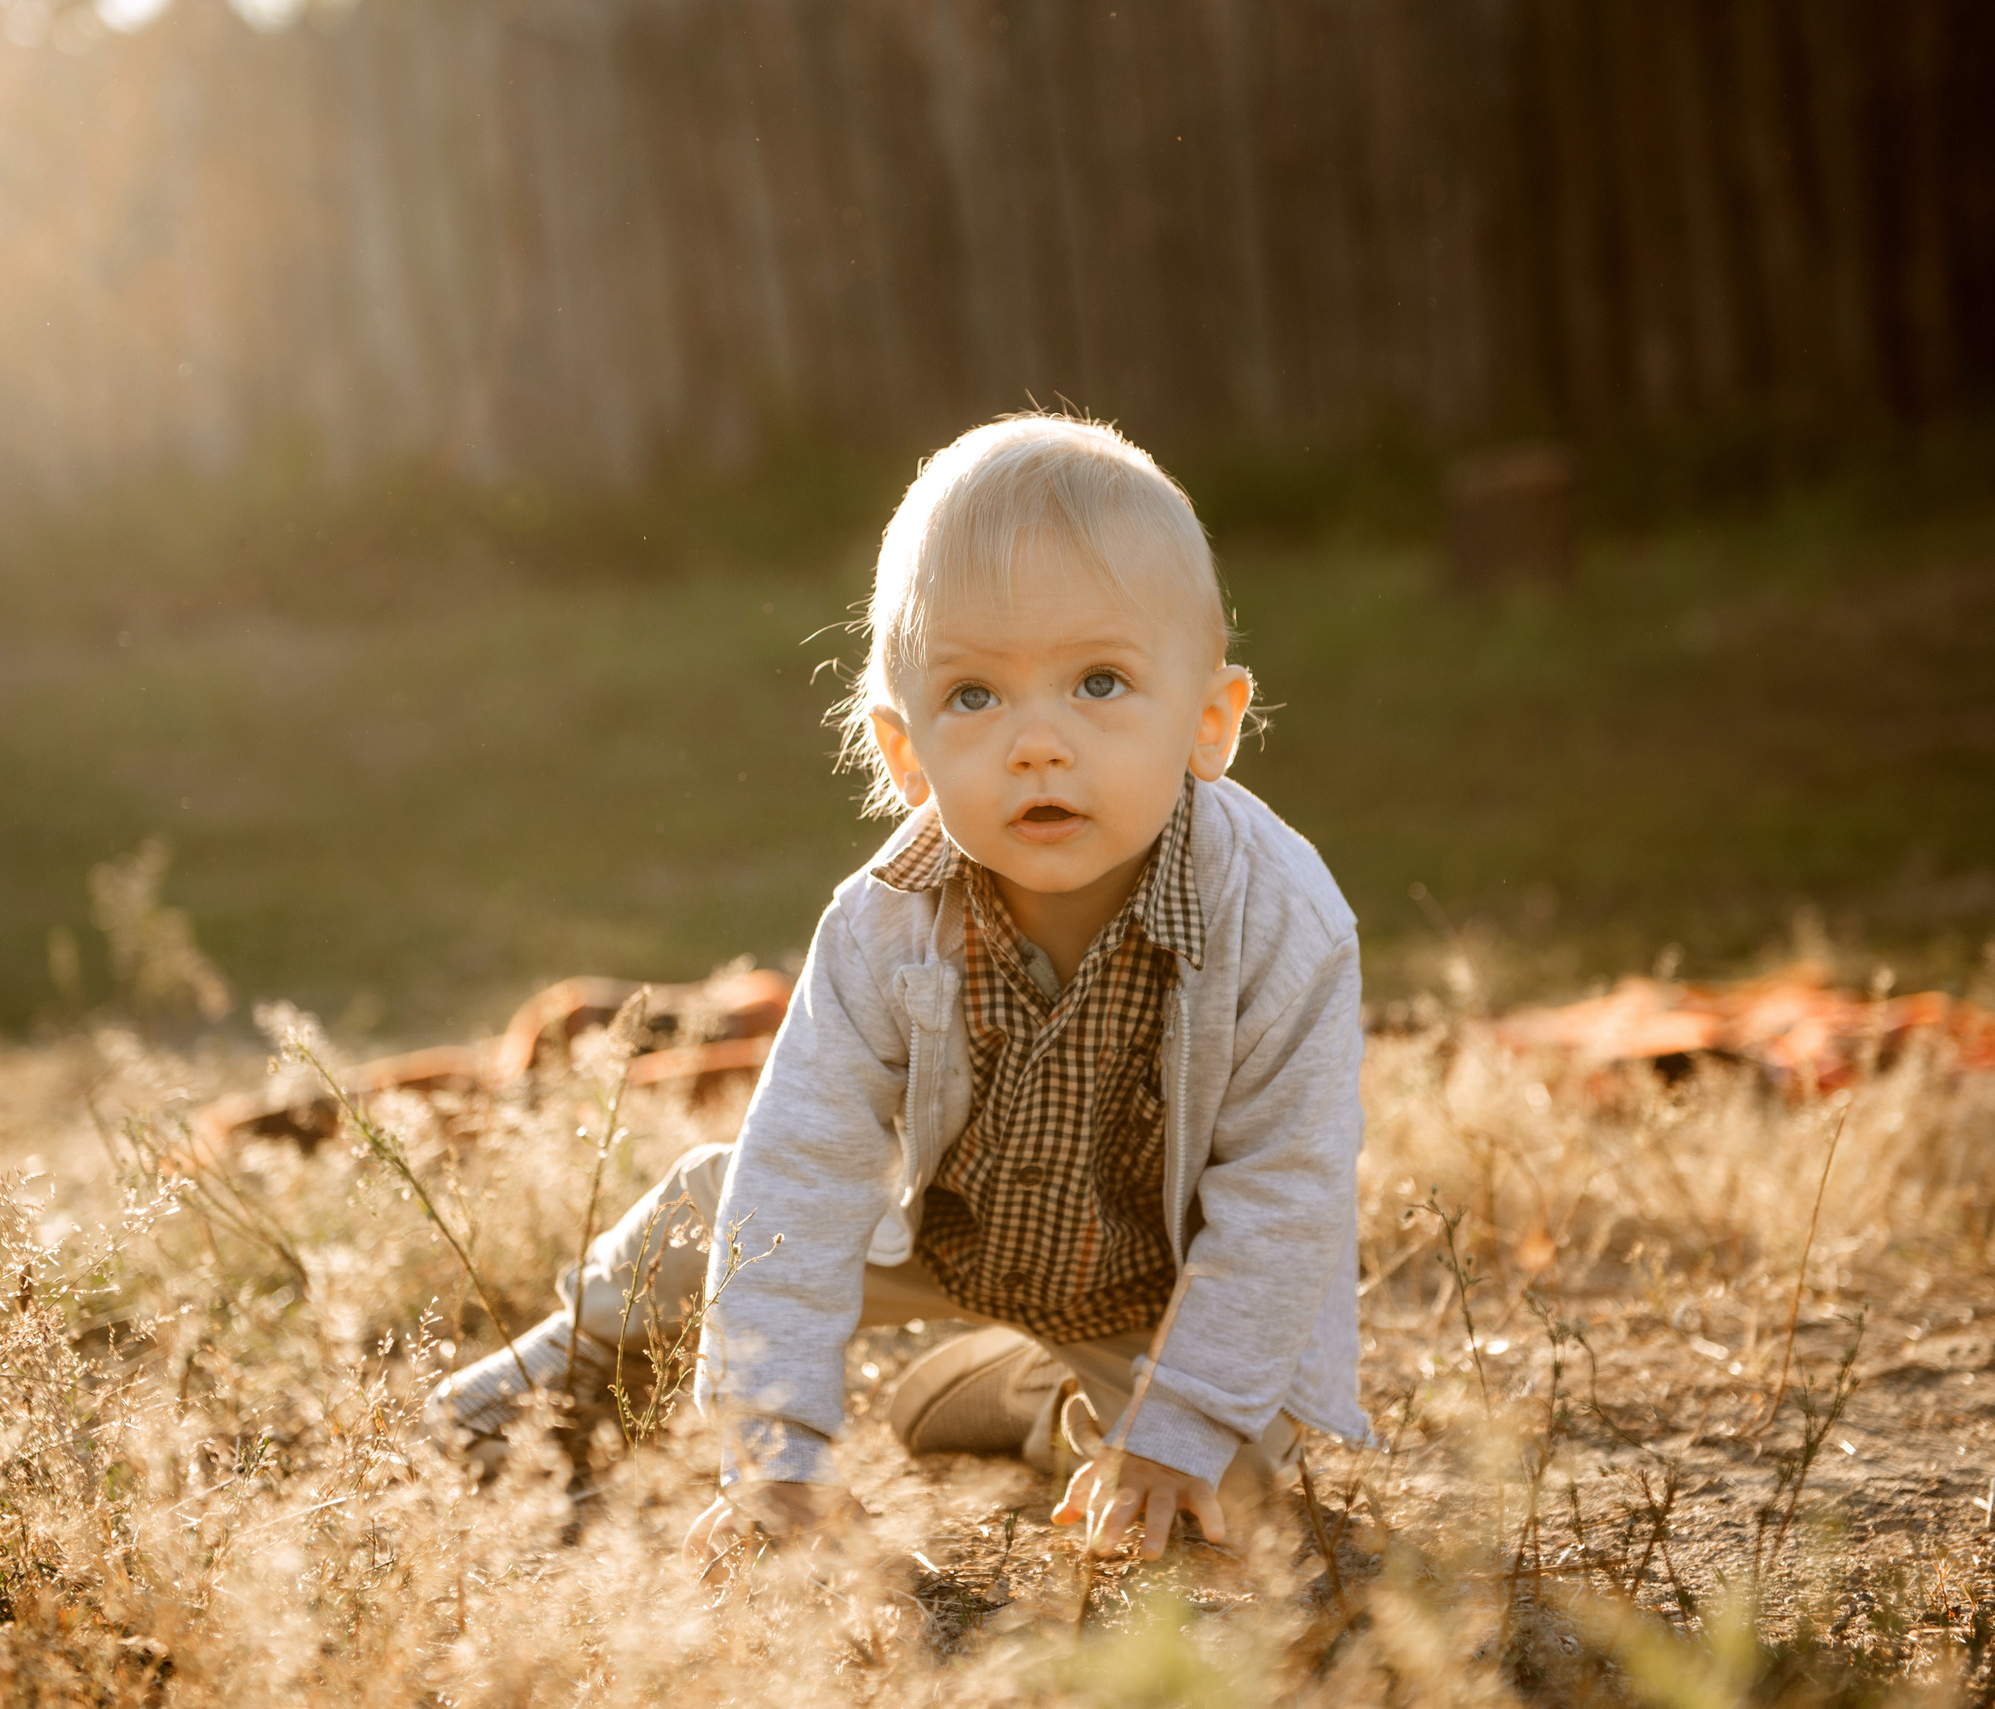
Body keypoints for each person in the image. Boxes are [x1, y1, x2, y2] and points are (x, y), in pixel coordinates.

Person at [427, 413, 1369, 1566]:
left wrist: (1178, 1427)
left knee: (1241, 1482)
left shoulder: (1276, 915)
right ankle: (557, 1375)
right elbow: (805, 1174)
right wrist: (776, 1459)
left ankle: (1046, 1404)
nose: (1037, 741)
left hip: (1164, 1285)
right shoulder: (884, 919)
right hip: (935, 1234)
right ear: (902, 746)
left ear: (1209, 721)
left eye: (1101, 682)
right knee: (722, 1208)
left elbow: (1284, 1196)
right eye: (974, 695)